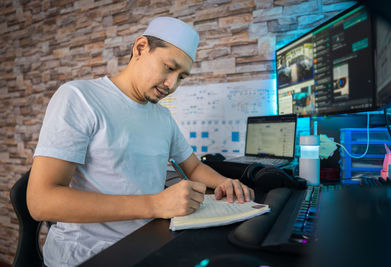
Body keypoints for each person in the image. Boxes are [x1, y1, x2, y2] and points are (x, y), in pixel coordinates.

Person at [26, 17, 254, 266]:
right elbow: (41, 201)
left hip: (149, 242)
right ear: (140, 48)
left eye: (181, 77)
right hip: (88, 254)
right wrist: (155, 204)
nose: (172, 85)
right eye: (169, 68)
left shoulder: (163, 116)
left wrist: (226, 183)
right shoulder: (80, 97)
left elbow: (194, 168)